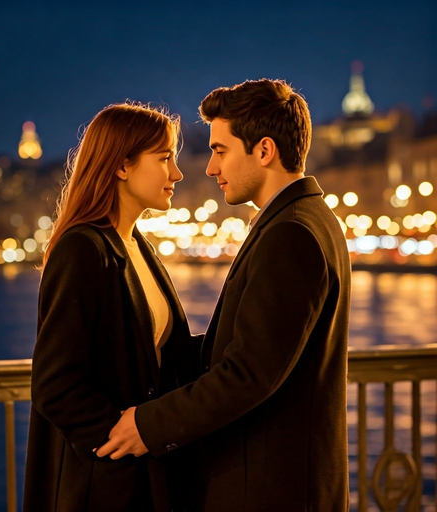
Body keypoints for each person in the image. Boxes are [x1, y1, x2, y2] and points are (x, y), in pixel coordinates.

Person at [96, 79, 352, 511]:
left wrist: (148, 424)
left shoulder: (290, 233)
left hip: (269, 489)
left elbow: (248, 374)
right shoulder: (305, 219)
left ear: (264, 151)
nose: (211, 169)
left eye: (220, 151)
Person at [23, 102, 199, 512]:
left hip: (145, 476)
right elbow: (54, 384)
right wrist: (122, 436)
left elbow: (163, 357)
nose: (177, 173)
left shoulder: (139, 248)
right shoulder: (82, 249)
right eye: (164, 158)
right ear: (122, 166)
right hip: (103, 485)